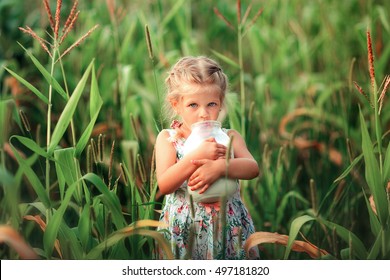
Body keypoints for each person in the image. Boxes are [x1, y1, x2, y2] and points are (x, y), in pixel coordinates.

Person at [155, 56, 260, 260]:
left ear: (220, 104)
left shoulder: (229, 137)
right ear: (176, 105)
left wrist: (222, 167)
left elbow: (252, 168)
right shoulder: (169, 139)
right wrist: (196, 155)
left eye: (211, 104)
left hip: (229, 227)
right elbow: (165, 184)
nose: (203, 113)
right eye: (193, 105)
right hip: (186, 230)